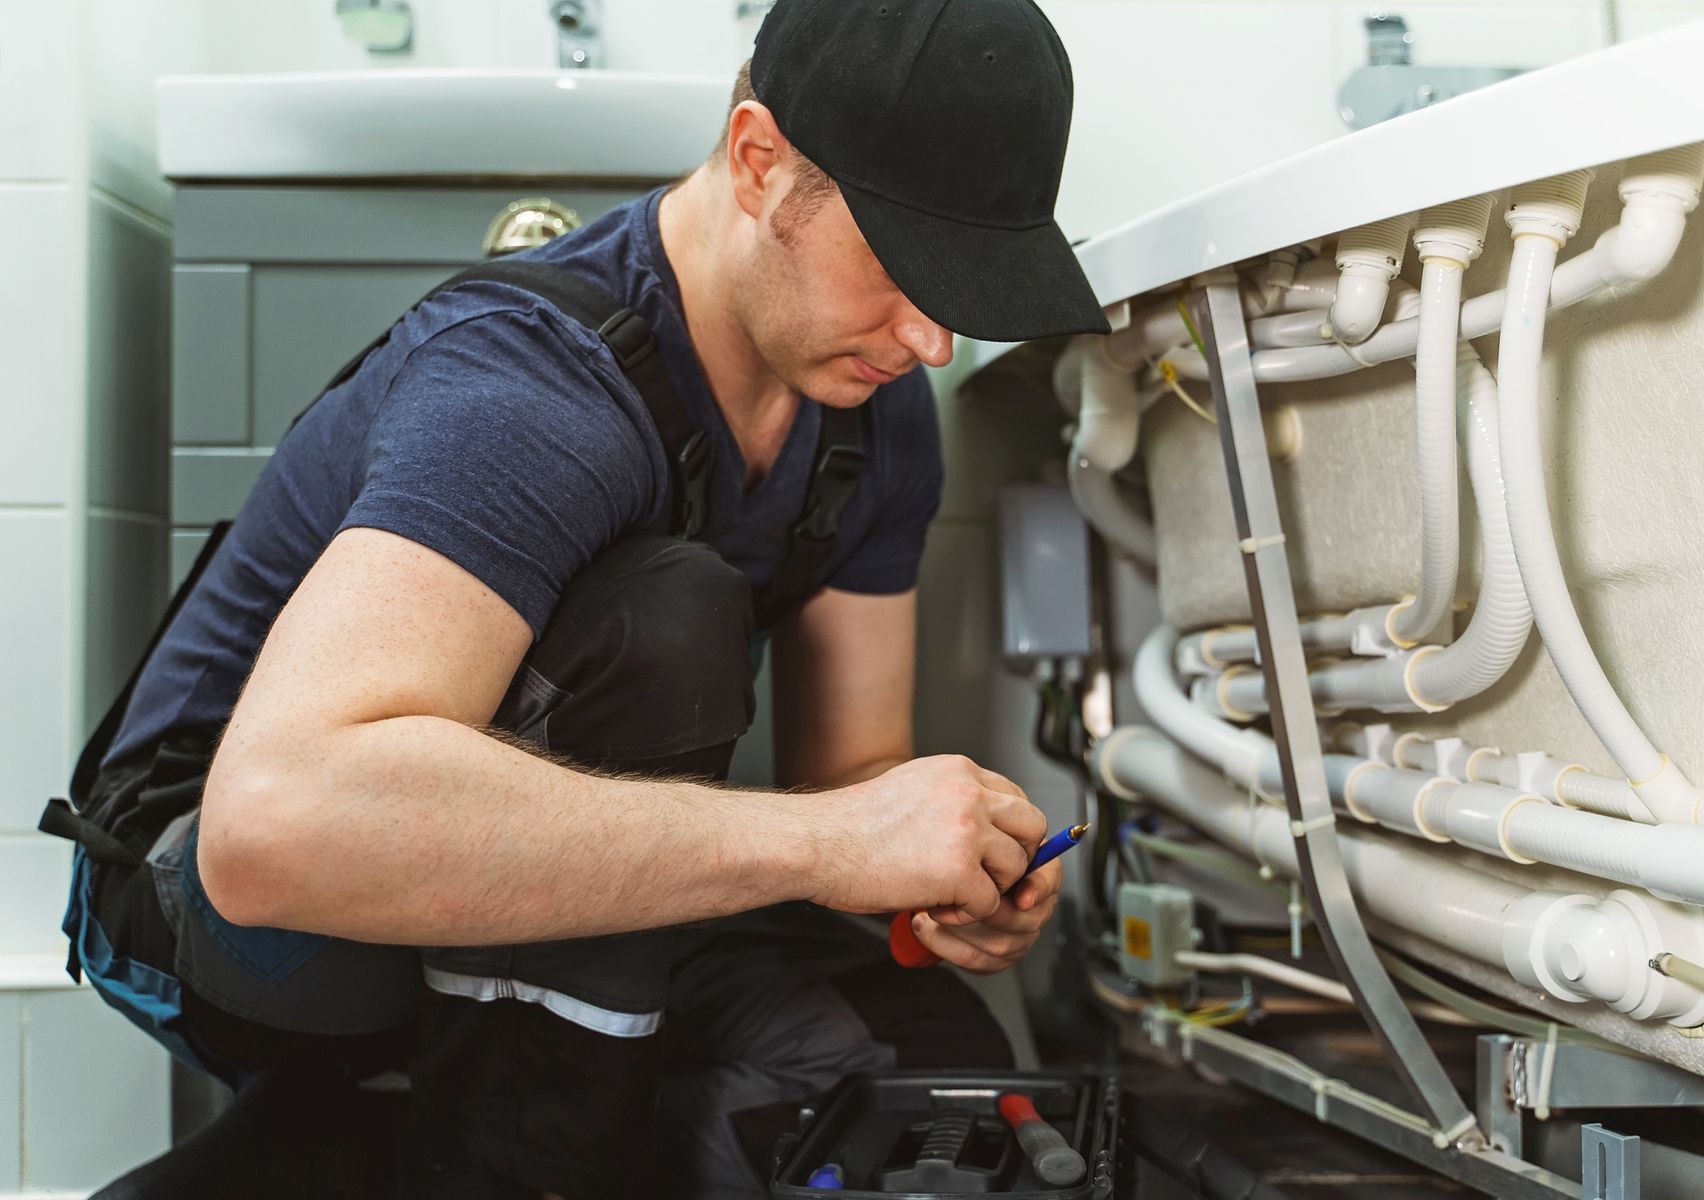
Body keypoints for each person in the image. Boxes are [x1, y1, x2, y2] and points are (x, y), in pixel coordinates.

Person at [47, 0, 1109, 1196]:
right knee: (669, 616)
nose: (931, 337)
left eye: (962, 280)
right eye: (906, 264)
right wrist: (829, 841)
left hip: (489, 899)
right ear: (759, 162)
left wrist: (935, 863)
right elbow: (274, 830)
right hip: (232, 906)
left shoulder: (871, 413)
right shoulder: (531, 389)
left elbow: (850, 767)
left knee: (922, 1071)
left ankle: (349, 1148)